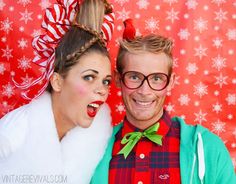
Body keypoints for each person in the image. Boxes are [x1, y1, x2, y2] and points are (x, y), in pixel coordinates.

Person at [91, 19, 236, 184]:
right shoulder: (94, 149)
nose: (144, 91)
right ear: (118, 79)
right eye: (134, 77)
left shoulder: (208, 148)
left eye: (157, 78)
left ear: (171, 82)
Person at [0, 0, 114, 183]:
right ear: (57, 82)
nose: (102, 90)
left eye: (106, 81)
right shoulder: (12, 134)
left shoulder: (99, 138)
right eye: (89, 77)